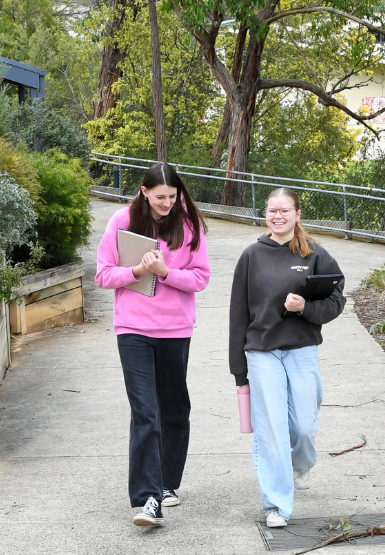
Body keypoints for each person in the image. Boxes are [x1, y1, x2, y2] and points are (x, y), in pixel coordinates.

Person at [95, 162, 210, 527]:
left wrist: (165, 273)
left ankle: (168, 483)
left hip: (175, 329)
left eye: (172, 197)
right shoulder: (122, 221)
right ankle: (149, 497)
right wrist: (137, 271)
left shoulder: (188, 224)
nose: (167, 203)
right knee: (145, 412)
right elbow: (102, 274)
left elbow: (200, 278)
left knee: (174, 410)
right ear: (144, 191)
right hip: (133, 330)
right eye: (160, 197)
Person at [229, 187, 346, 528]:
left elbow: (336, 300)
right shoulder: (251, 256)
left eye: (284, 210)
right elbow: (238, 315)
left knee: (302, 428)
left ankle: (300, 463)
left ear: (297, 214)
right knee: (271, 430)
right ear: (265, 214)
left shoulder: (315, 254)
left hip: (302, 349)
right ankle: (276, 505)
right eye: (272, 210)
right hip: (262, 352)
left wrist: (306, 308)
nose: (277, 216)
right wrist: (239, 371)